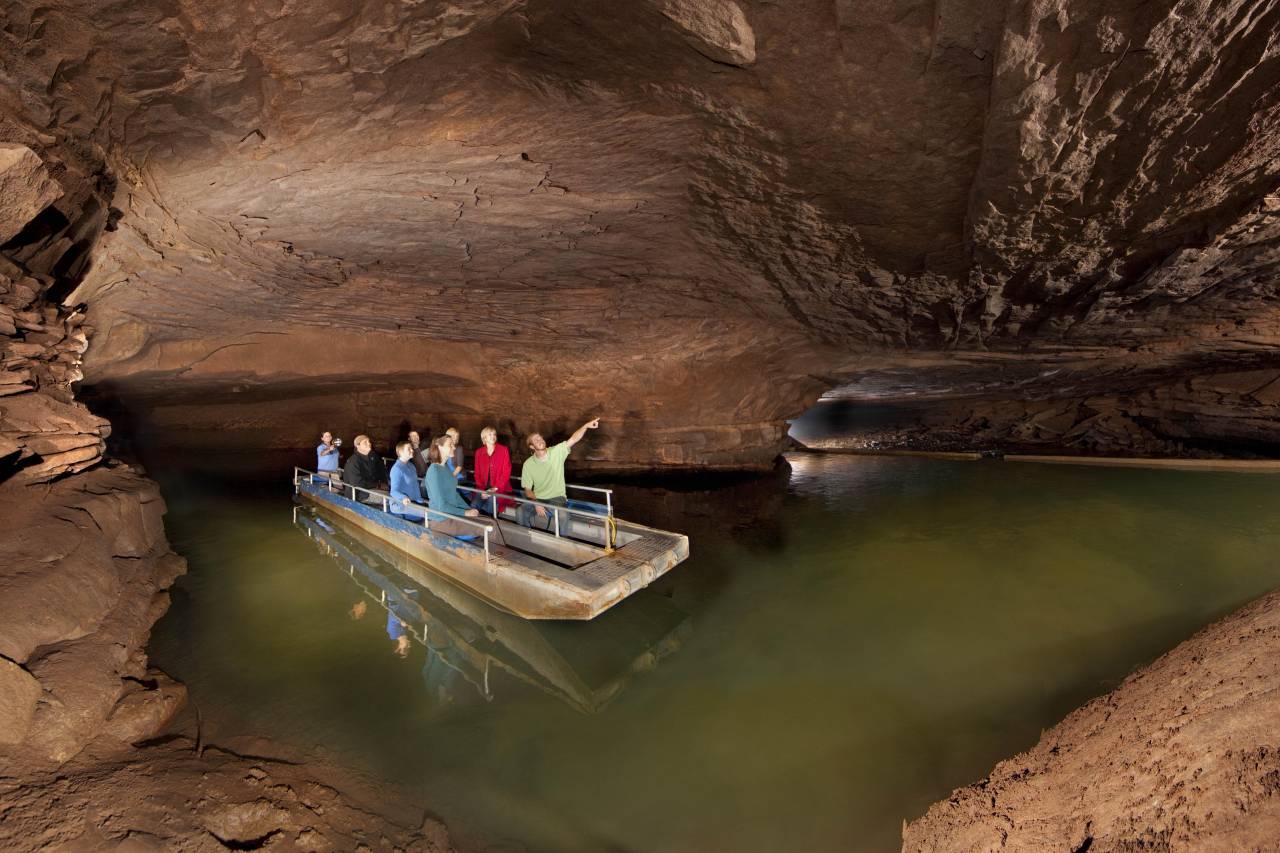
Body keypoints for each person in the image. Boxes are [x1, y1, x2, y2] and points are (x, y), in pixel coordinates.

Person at [519, 417, 600, 531]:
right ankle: (525, 538)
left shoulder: (557, 451)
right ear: (532, 447)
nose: (540, 440)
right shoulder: (528, 464)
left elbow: (574, 439)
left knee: (563, 515)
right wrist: (536, 503)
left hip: (557, 498)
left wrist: (586, 426)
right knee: (520, 511)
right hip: (538, 498)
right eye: (536, 440)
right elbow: (527, 490)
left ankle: (563, 542)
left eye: (540, 438)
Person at [425, 436, 480, 519]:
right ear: (440, 447)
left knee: (486, 521)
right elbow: (441, 506)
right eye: (450, 445)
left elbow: (454, 494)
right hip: (441, 518)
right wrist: (465, 513)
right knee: (486, 528)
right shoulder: (434, 471)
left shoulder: (445, 467)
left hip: (452, 513)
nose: (454, 447)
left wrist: (469, 509)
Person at [471, 426, 514, 515]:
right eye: (489, 434)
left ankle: (489, 525)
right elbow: (477, 473)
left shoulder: (503, 450)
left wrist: (494, 488)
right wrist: (482, 490)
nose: (493, 436)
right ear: (484, 438)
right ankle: (475, 526)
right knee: (475, 504)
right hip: (482, 488)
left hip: (499, 488)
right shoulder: (479, 452)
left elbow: (506, 472)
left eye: (494, 434)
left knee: (491, 502)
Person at [389, 441, 428, 522]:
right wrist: (403, 497)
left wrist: (420, 500)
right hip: (400, 503)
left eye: (411, 448)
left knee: (432, 508)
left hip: (412, 501)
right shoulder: (397, 469)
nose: (412, 450)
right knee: (428, 513)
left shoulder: (411, 466)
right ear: (400, 452)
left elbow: (415, 485)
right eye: (409, 449)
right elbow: (393, 491)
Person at [342, 434, 385, 500]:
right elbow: (356, 483)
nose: (369, 443)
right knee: (388, 499)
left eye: (369, 441)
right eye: (365, 442)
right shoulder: (353, 461)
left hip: (372, 488)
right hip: (359, 494)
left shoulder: (373, 456)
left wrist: (384, 482)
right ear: (357, 446)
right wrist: (377, 485)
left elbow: (381, 471)